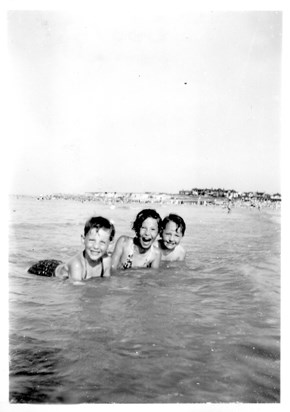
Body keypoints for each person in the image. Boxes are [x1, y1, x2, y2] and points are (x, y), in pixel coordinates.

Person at [28, 216, 115, 280]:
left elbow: (106, 284)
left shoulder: (106, 260)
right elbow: (77, 293)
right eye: (92, 240)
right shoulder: (77, 266)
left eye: (102, 242)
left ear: (110, 244)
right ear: (83, 239)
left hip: (61, 265)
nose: (96, 246)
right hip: (46, 270)